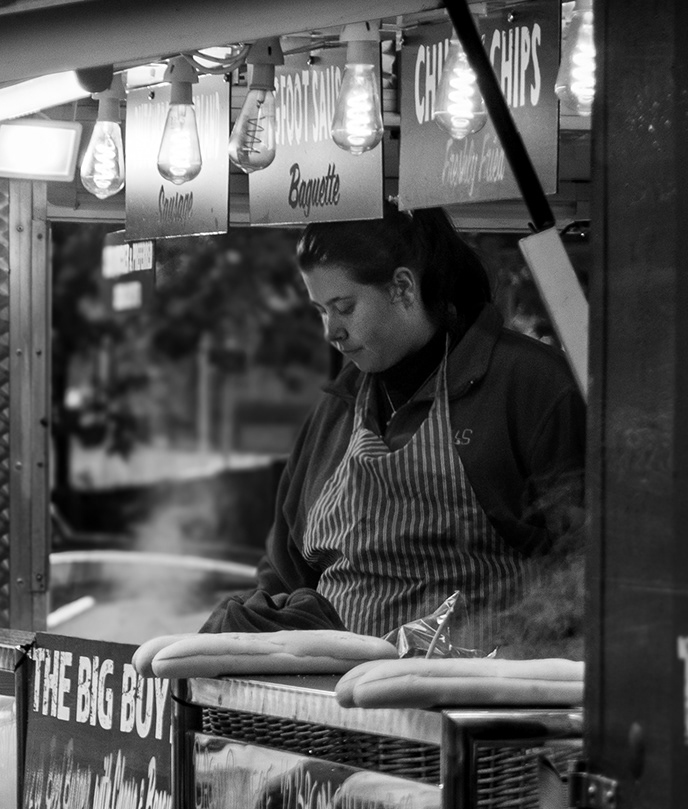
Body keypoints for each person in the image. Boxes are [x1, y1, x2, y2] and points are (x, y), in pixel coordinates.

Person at [202, 206, 585, 649]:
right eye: (321, 311)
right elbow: (284, 573)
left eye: (344, 307)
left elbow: (586, 566)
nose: (331, 332)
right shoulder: (335, 410)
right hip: (330, 686)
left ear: (402, 287)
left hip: (473, 686)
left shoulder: (531, 385)